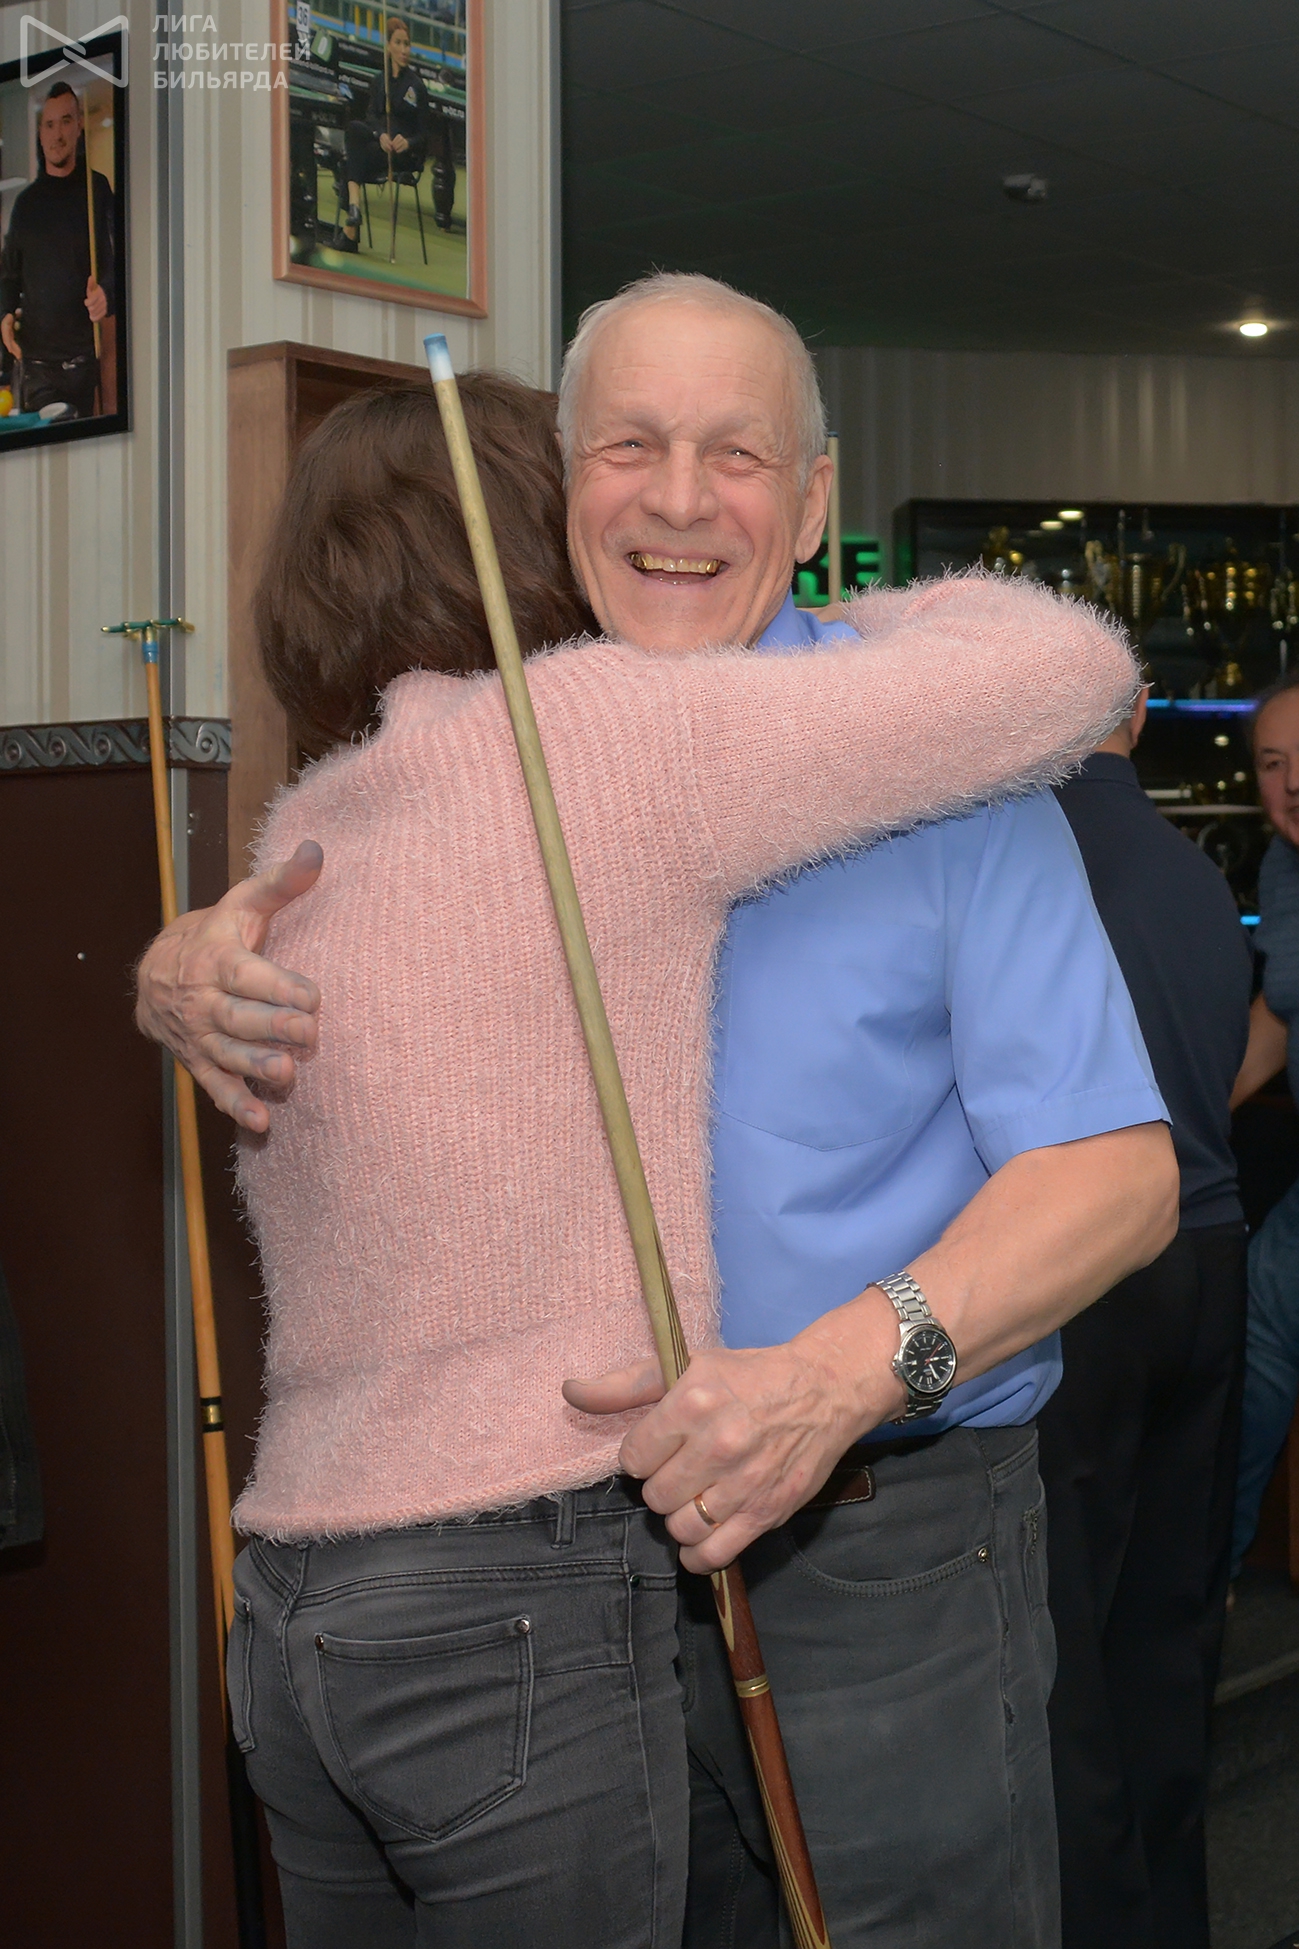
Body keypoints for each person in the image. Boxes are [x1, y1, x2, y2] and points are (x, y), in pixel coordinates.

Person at [135, 274, 1179, 1948]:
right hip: (549, 1573)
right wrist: (185, 967)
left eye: (736, 456)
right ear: (558, 483)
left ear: (813, 502)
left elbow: (1116, 1179)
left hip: (871, 1548)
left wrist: (832, 1380)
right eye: (629, 447)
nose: (680, 501)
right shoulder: (496, 758)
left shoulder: (947, 771)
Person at [1033, 687, 1251, 1949]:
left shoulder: (1030, 859)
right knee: (1172, 1632)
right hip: (1208, 1259)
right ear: (1138, 716)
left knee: (1067, 1650)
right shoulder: (1194, 871)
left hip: (1088, 1273)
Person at [1230, 671, 1299, 1571]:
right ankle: (1211, 1588)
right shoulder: (1283, 868)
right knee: (1248, 1346)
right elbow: (1278, 1014)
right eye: (1272, 763)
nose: (1291, 784)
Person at [0, 81, 114, 420]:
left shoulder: (97, 189)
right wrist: (5, 313)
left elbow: (118, 263)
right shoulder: (26, 205)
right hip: (36, 367)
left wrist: (107, 293)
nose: (57, 134)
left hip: (85, 362)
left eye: (65, 121)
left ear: (78, 125)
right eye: (49, 125)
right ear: (40, 133)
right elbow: (9, 275)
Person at [337, 16, 449, 252]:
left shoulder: (416, 87)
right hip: (379, 148)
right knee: (355, 130)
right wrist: (380, 134)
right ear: (388, 46)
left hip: (402, 157)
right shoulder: (379, 81)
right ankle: (353, 214)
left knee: (348, 161)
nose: (404, 50)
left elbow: (424, 136)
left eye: (407, 44)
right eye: (398, 43)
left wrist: (407, 143)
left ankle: (351, 226)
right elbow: (370, 118)